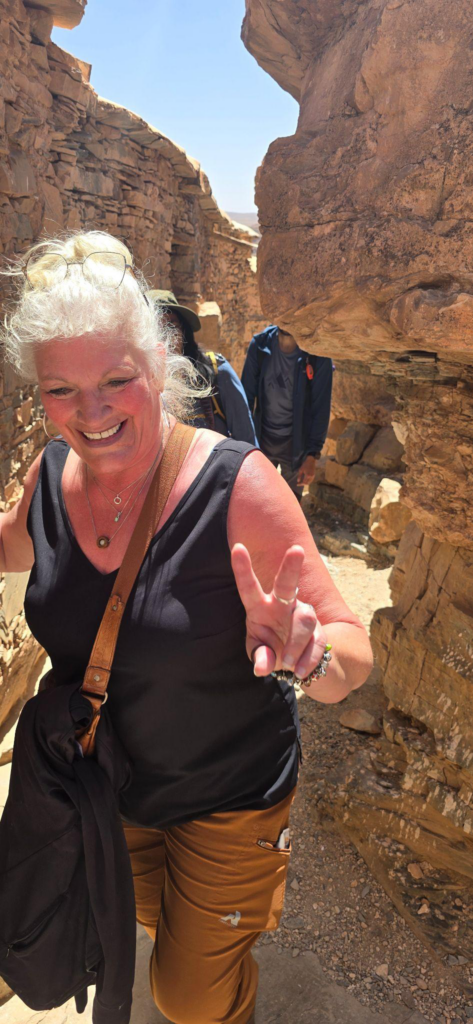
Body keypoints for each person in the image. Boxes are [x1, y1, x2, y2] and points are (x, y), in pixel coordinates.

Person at [0, 232, 373, 1024]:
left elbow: (348, 653)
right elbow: (9, 544)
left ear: (160, 366)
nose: (90, 412)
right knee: (152, 925)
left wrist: (309, 656)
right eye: (59, 390)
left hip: (228, 794)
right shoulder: (48, 476)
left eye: (115, 380)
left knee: (188, 995)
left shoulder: (237, 483)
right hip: (114, 786)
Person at [148, 289, 257, 445]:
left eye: (172, 325)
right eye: (157, 328)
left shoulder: (217, 371)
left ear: (184, 331)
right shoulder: (141, 385)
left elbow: (247, 441)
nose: (167, 336)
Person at [241, 324, 333, 500]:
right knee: (258, 506)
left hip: (296, 448)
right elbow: (245, 399)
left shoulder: (317, 355)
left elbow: (320, 408)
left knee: (289, 513)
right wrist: (245, 446)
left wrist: (312, 455)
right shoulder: (260, 346)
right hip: (262, 443)